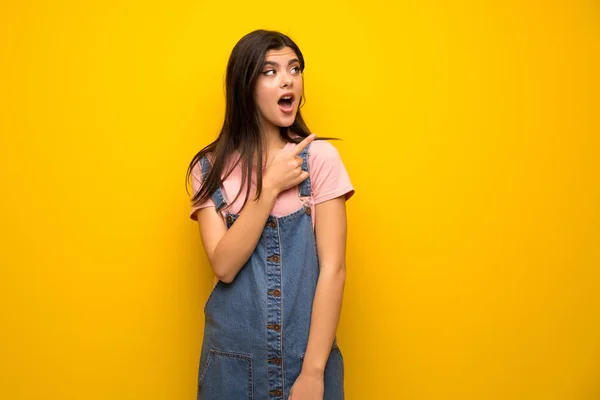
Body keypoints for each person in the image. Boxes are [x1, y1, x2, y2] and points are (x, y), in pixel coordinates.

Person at [186, 29, 354, 400]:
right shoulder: (208, 168)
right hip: (230, 369)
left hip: (306, 363)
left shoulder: (320, 160)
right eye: (270, 71)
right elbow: (224, 265)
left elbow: (333, 269)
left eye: (294, 68)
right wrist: (269, 187)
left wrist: (313, 373)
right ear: (244, 86)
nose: (287, 79)